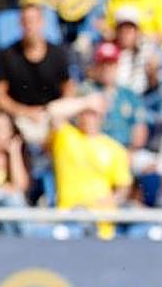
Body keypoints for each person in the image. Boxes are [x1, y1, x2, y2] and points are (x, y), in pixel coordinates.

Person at [47, 93, 133, 239]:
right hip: (70, 217)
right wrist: (85, 102)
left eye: (93, 114)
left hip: (101, 223)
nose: (88, 118)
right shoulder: (67, 137)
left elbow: (123, 187)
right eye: (84, 113)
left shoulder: (115, 149)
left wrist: (112, 200)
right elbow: (52, 111)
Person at [0, 3, 75, 147]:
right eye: (26, 21)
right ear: (20, 24)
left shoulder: (58, 53)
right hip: (19, 118)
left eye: (33, 20)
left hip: (52, 115)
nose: (30, 26)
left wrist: (54, 111)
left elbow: (68, 88)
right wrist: (25, 112)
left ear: (42, 22)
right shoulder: (8, 55)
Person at [82, 41, 148, 156]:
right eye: (103, 63)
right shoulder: (86, 92)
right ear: (96, 66)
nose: (107, 68)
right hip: (94, 151)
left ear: (118, 65)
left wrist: (131, 152)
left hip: (126, 151)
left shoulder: (129, 94)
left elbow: (140, 128)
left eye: (111, 63)